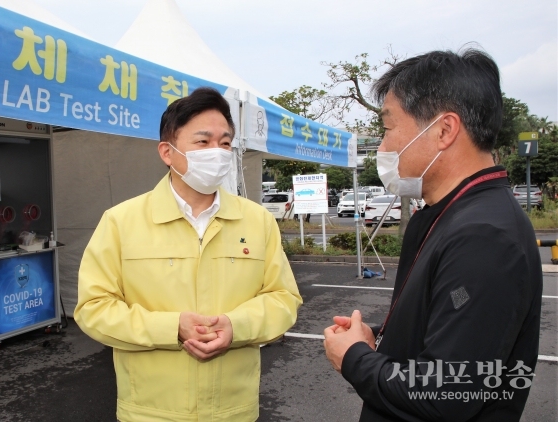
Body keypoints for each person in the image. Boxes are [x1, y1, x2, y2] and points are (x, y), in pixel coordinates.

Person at [323, 49, 542, 421]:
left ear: (443, 130)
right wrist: (376, 339)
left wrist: (355, 357)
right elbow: (447, 329)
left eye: (389, 129)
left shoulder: (483, 237)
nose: (383, 147)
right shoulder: (450, 213)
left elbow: (446, 391)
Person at [75, 87, 302, 422]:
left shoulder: (258, 221)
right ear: (167, 152)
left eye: (225, 143)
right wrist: (171, 328)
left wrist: (235, 326)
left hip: (233, 411)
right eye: (203, 141)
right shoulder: (121, 222)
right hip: (149, 412)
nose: (218, 153)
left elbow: (283, 298)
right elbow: (94, 309)